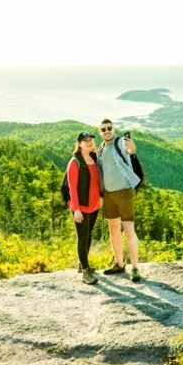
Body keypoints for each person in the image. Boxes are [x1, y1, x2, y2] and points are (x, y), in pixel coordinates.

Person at [97, 118, 145, 282]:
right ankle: (119, 264)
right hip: (109, 194)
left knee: (129, 230)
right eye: (103, 129)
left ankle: (135, 268)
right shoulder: (101, 149)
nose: (107, 131)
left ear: (113, 128)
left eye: (109, 128)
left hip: (124, 192)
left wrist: (132, 149)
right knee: (114, 229)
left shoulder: (119, 143)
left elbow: (129, 151)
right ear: (100, 132)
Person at [63, 131, 101, 285]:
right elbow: (72, 188)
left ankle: (83, 264)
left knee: (89, 234)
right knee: (83, 237)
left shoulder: (93, 158)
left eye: (91, 140)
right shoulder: (75, 162)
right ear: (79, 144)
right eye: (85, 140)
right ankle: (85, 271)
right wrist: (76, 209)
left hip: (94, 205)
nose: (89, 142)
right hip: (81, 207)